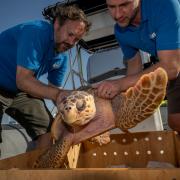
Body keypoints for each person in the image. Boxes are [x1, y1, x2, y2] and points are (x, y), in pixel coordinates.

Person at [0, 4, 91, 148]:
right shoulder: (36, 32)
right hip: (16, 82)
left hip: (18, 91)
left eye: (77, 39)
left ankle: (41, 169)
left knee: (50, 132)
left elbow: (54, 90)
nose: (71, 43)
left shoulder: (62, 57)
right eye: (70, 34)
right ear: (56, 24)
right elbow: (23, 80)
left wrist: (74, 117)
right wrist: (59, 94)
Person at [93, 0, 180, 132]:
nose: (117, 15)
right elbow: (134, 64)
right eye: (111, 7)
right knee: (175, 122)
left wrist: (119, 84)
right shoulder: (120, 31)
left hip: (173, 62)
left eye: (124, 5)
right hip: (171, 63)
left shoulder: (165, 4)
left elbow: (171, 68)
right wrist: (122, 102)